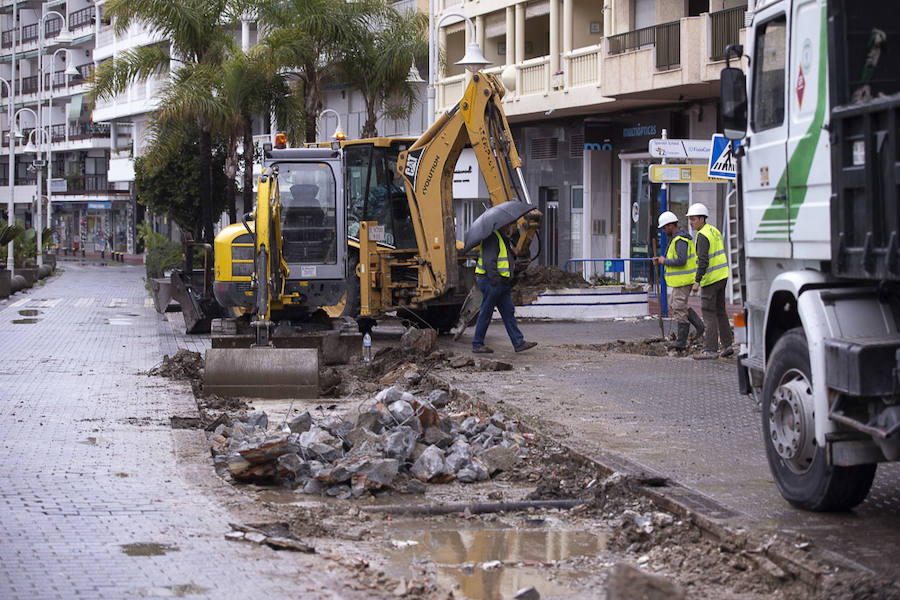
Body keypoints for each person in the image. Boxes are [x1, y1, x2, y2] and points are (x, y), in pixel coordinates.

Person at [471, 223, 537, 354]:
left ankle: (518, 343)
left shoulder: (501, 237)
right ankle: (477, 344)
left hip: (501, 282)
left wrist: (513, 254)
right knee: (486, 312)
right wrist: (495, 280)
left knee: (508, 312)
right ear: (502, 224)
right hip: (492, 281)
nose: (511, 226)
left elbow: (504, 258)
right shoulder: (492, 238)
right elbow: (490, 262)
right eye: (509, 224)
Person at [652, 211, 705, 350]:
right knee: (674, 304)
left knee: (679, 306)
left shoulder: (680, 239)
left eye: (664, 228)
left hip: (684, 280)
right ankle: (699, 325)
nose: (663, 231)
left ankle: (681, 341)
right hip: (679, 281)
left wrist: (665, 261)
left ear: (670, 225)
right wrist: (660, 260)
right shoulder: (677, 238)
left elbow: (681, 260)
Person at [686, 203, 733, 359]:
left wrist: (697, 281)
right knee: (721, 312)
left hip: (711, 279)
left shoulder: (702, 235)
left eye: (693, 219)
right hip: (722, 276)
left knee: (708, 313)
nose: (691, 222)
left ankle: (710, 349)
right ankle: (727, 346)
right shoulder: (714, 231)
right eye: (690, 219)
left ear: (701, 219)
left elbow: (703, 261)